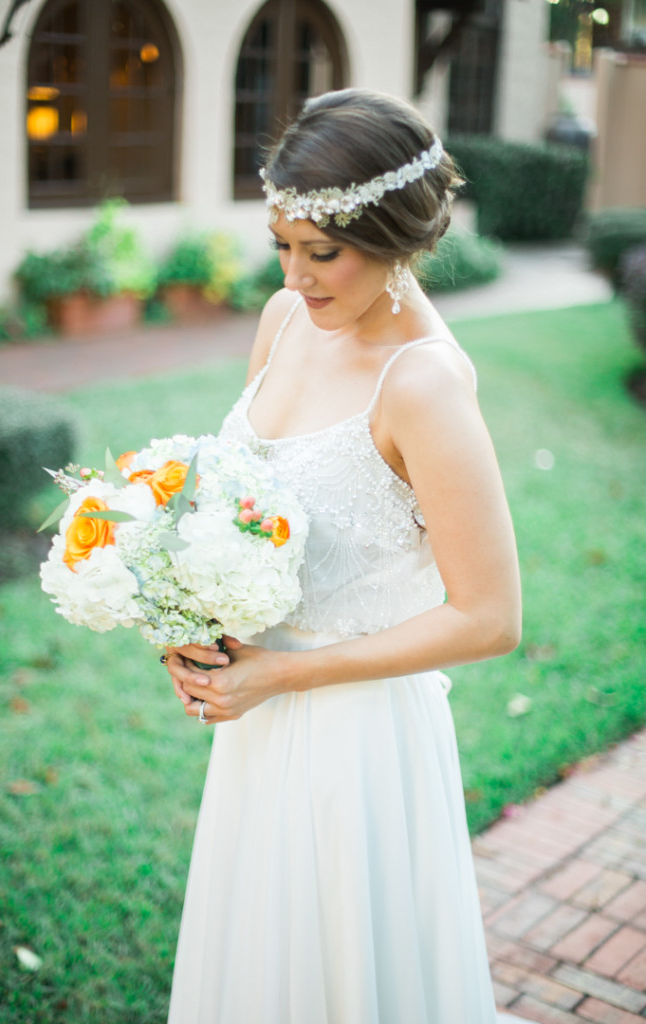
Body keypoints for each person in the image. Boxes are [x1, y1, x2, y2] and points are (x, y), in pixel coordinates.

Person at [165, 88, 522, 1024]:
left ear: (396, 234)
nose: (296, 274)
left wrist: (287, 675)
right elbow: (243, 509)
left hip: (356, 742)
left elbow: (489, 619)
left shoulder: (425, 384)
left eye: (322, 252)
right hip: (258, 717)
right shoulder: (284, 321)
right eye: (281, 245)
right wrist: (192, 624)